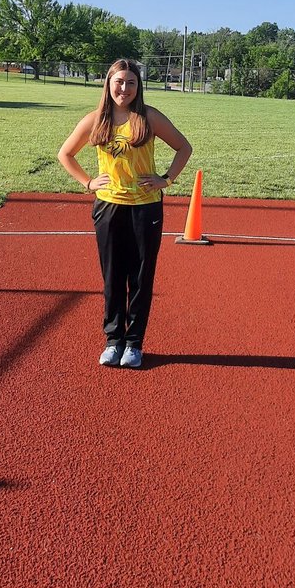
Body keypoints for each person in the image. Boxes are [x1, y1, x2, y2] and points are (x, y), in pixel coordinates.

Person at [58, 58, 192, 369]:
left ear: (138, 86)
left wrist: (166, 179)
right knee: (113, 277)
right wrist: (88, 182)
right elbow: (65, 153)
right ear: (108, 83)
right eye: (119, 81)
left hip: (146, 208)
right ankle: (113, 340)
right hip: (108, 207)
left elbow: (183, 147)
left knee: (141, 278)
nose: (124, 88)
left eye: (131, 82)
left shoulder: (149, 117)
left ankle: (134, 344)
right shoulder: (96, 120)